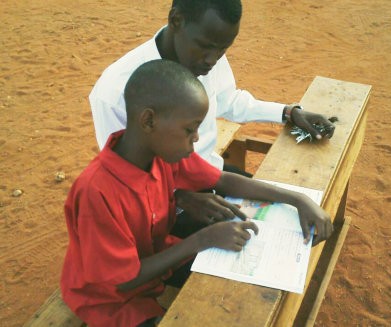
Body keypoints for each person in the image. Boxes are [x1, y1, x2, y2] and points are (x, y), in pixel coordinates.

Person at [62, 60, 333, 327]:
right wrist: (202, 239)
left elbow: (225, 179)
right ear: (148, 121)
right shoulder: (96, 193)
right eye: (189, 129)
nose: (196, 139)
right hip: (111, 298)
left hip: (157, 261)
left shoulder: (160, 154)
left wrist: (298, 199)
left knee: (240, 283)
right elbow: (122, 279)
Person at [89, 0, 335, 225]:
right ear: (176, 20)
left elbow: (230, 100)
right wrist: (182, 198)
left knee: (286, 217)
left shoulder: (207, 52)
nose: (213, 59)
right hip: (165, 209)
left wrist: (288, 112)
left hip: (211, 176)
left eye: (223, 49)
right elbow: (123, 173)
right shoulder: (115, 91)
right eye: (206, 47)